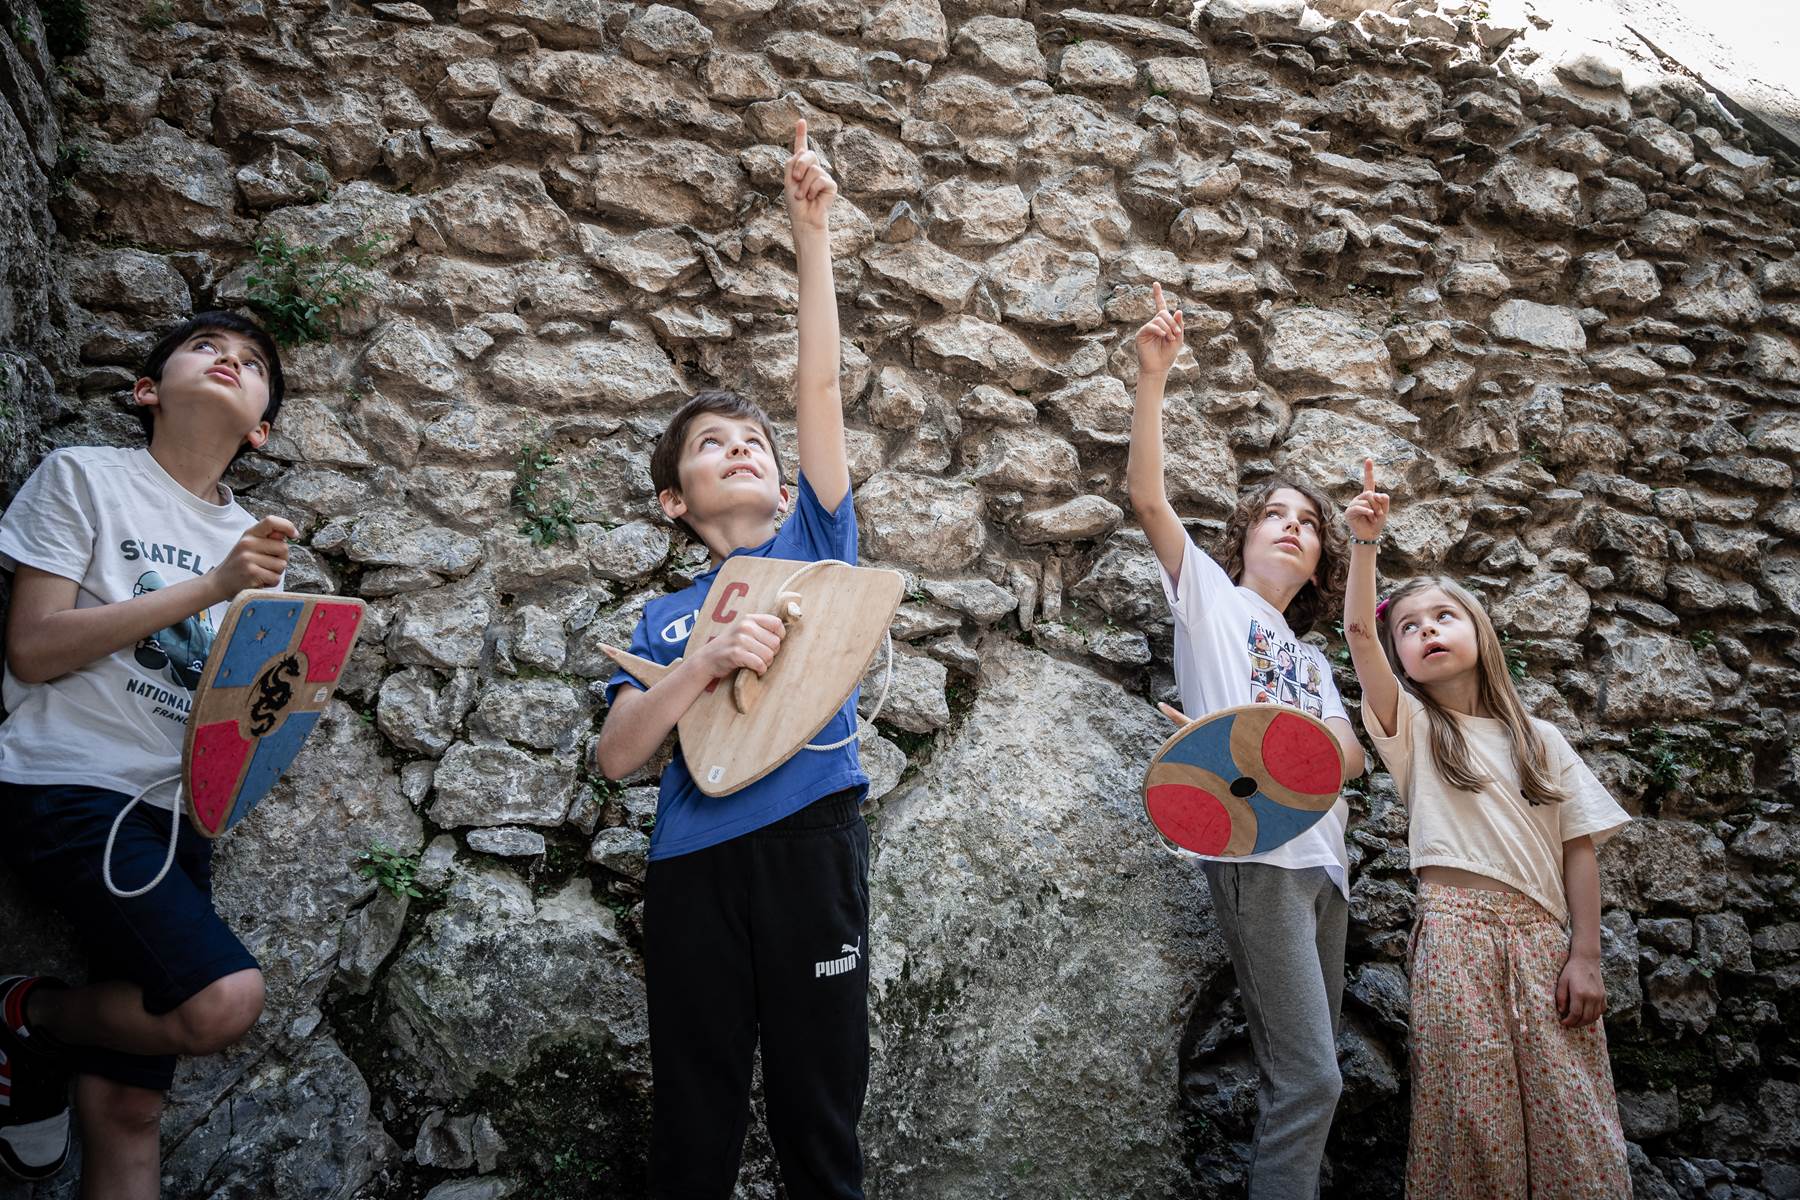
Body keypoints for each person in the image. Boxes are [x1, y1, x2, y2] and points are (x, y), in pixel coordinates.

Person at [591, 121, 869, 1200]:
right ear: (675, 501)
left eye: (749, 439)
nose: (741, 447)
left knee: (819, 1111)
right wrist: (700, 662)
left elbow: (820, 391)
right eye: (710, 445)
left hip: (813, 839)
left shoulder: (817, 546)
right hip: (693, 867)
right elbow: (619, 758)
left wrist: (812, 236)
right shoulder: (660, 615)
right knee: (694, 1119)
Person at [0, 311, 294, 1195]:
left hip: (173, 820)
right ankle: (29, 1014)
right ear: (145, 391)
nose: (228, 361)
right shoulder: (84, 477)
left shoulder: (265, 550)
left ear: (261, 426)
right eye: (206, 348)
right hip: (67, 784)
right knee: (222, 1003)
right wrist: (211, 588)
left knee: (131, 1111)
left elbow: (242, 727)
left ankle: (46, 1035)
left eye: (250, 363)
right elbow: (33, 648)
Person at [1127, 283, 1366, 1199]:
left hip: (1328, 865)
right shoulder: (1211, 603)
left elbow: (1345, 757)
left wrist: (1274, 740)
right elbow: (1148, 497)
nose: (1295, 529)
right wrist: (1154, 378)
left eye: (1309, 525)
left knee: (1303, 1077)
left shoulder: (1309, 658)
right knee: (1312, 1077)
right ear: (1246, 535)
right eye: (1278, 515)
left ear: (1316, 561)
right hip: (1255, 852)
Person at [1342, 458, 1631, 1198]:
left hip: (1542, 940)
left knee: (1572, 1117)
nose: (1426, 631)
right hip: (1456, 937)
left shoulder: (1541, 739)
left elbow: (1578, 850)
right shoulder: (1408, 727)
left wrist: (1586, 956)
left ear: (1479, 631)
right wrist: (1365, 545)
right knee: (1469, 1120)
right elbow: (1358, 635)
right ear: (1402, 657)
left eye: (1443, 616)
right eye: (1410, 627)